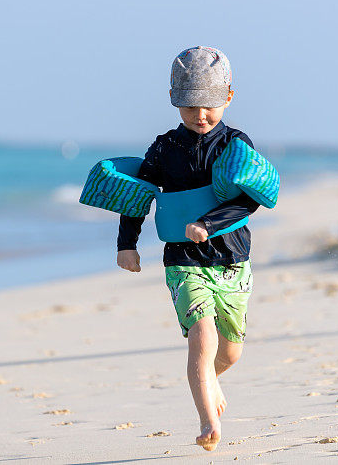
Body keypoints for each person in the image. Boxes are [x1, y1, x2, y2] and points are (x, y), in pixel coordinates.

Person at [116, 46, 261, 451]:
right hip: (183, 262)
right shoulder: (164, 148)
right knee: (202, 337)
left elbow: (249, 199)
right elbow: (136, 196)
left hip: (232, 260)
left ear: (228, 97)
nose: (200, 115)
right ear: (173, 99)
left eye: (210, 106)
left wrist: (209, 224)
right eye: (190, 106)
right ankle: (207, 421)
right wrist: (127, 244)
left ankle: (211, 382)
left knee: (230, 354)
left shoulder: (236, 144)